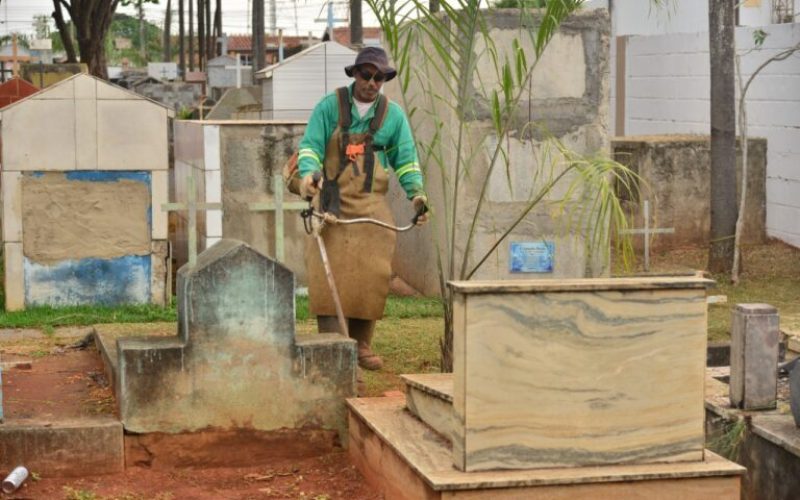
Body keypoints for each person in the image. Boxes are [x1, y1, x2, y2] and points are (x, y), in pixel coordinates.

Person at [297, 46, 427, 371]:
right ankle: (334, 344)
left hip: (371, 205)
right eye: (366, 75)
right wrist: (310, 175)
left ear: (384, 79)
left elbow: (407, 160)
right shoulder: (330, 107)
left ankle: (362, 343)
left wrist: (417, 196)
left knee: (372, 272)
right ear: (355, 74)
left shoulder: (392, 116)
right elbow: (310, 146)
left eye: (378, 77)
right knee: (330, 277)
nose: (371, 82)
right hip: (331, 204)